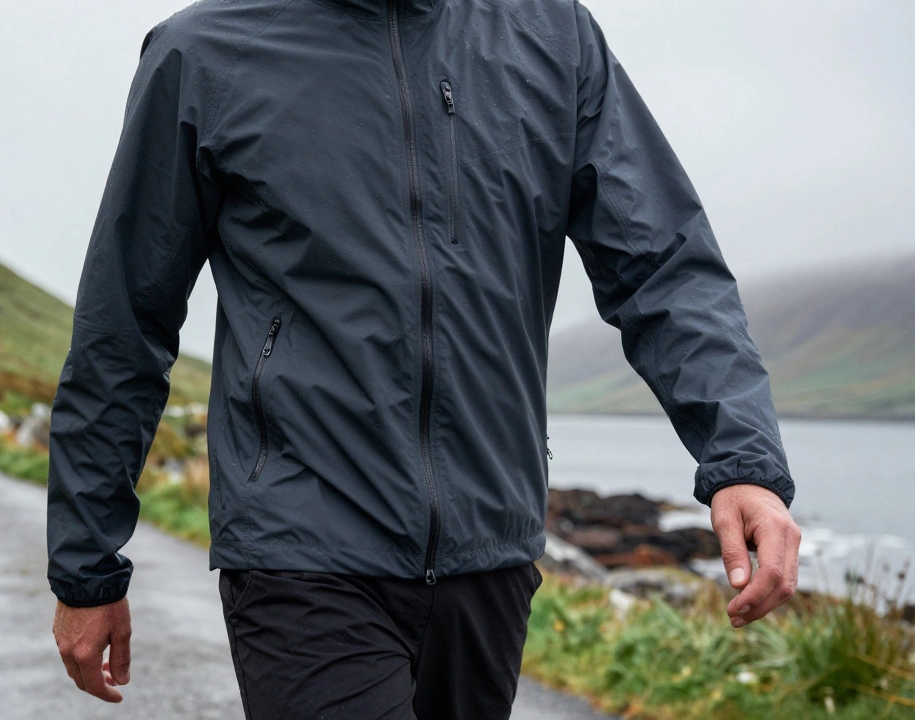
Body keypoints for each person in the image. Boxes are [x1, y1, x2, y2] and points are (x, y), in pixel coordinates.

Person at [46, 0, 801, 717]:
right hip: (303, 549)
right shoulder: (205, 53)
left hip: (490, 554)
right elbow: (126, 319)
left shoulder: (553, 36)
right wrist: (87, 564)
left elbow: (663, 266)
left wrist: (741, 461)